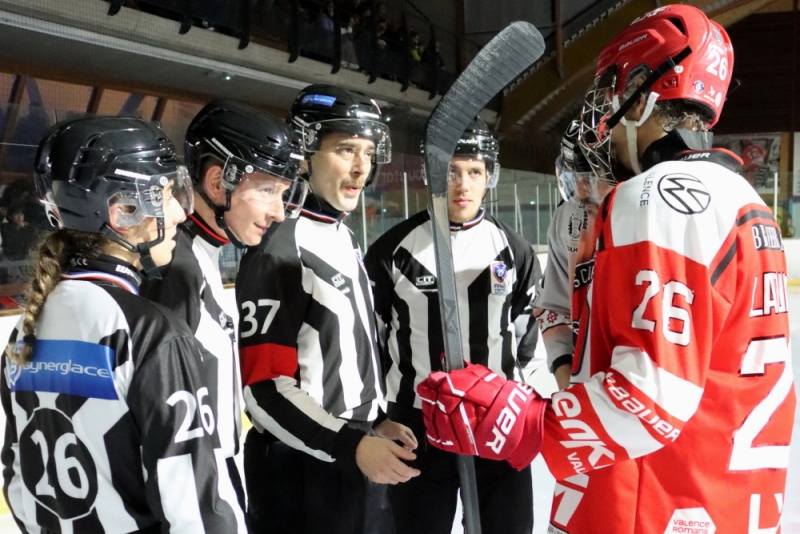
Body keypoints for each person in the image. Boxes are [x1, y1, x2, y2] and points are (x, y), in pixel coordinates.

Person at [416, 5, 796, 533]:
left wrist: (525, 421)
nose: (605, 120)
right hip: (725, 498)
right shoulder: (743, 200)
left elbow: (651, 394)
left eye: (612, 94)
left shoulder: (656, 197)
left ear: (643, 93)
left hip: (654, 504)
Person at [1, 116, 245, 533]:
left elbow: (18, 483)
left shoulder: (26, 329)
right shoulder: (153, 333)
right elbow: (197, 509)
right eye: (168, 193)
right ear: (123, 211)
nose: (181, 211)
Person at [235, 84, 419, 534]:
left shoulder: (342, 234)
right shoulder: (279, 248)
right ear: (304, 153)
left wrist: (373, 422)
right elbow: (264, 390)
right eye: (345, 150)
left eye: (368, 152)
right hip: (301, 473)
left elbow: (338, 353)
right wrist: (351, 445)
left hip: (349, 453)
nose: (362, 167)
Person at [363, 118, 541, 534]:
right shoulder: (392, 249)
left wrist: (518, 403)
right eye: (451, 171)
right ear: (431, 174)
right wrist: (377, 416)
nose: (463, 184)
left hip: (497, 421)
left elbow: (524, 336)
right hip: (416, 426)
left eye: (474, 172)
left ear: (489, 177)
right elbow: (371, 341)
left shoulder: (513, 250)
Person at [139, 99, 307, 523]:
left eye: (284, 194)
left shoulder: (197, 256)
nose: (279, 212)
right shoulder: (174, 270)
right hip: (198, 502)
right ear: (218, 182)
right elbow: (166, 430)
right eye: (267, 190)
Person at [533, 119, 614, 391]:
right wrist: (568, 383)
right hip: (585, 391)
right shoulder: (568, 217)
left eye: (591, 177)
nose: (580, 192)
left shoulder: (652, 219)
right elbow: (553, 309)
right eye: (573, 178)